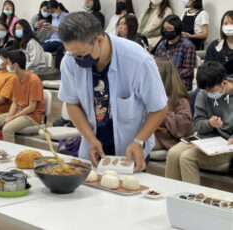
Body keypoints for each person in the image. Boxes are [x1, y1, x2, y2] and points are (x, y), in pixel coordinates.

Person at [57, 12, 168, 171]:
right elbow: (72, 103)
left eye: (80, 55)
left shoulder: (138, 61)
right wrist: (90, 138)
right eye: (72, 54)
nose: (76, 59)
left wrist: (139, 141)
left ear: (99, 40)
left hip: (130, 152)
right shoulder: (70, 59)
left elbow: (159, 108)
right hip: (92, 151)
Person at [166, 61, 233, 185]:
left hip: (228, 143)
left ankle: (193, 201)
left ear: (224, 83)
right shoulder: (204, 93)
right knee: (173, 154)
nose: (208, 94)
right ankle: (172, 197)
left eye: (211, 91)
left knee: (188, 157)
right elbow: (197, 124)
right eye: (205, 91)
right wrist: (209, 123)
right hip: (205, 139)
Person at [0, 50, 45, 143]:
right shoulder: (15, 78)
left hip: (31, 116)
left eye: (9, 63)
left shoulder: (34, 80)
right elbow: (15, 102)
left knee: (7, 129)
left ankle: (10, 155)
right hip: (17, 112)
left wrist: (11, 118)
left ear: (15, 65)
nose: (7, 66)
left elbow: (32, 107)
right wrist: (9, 116)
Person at [153, 57, 192, 151]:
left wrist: (162, 115)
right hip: (147, 132)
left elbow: (183, 124)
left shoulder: (179, 98)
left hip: (164, 138)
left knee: (136, 143)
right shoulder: (149, 93)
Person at [155, 15, 197, 91]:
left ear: (177, 28)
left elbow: (188, 71)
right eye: (165, 29)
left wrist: (169, 75)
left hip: (180, 84)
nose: (166, 31)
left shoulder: (187, 46)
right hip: (163, 82)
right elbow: (156, 65)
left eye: (169, 29)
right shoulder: (161, 45)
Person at [205, 10, 233, 75]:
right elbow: (207, 70)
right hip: (218, 82)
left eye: (232, 23)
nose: (229, 26)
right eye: (225, 23)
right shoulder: (214, 45)